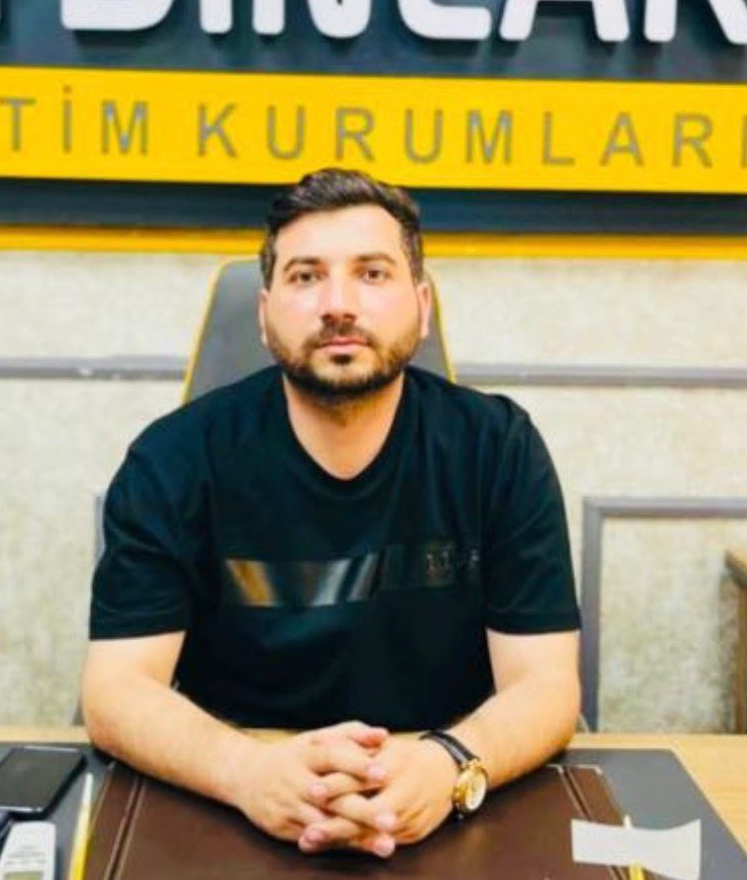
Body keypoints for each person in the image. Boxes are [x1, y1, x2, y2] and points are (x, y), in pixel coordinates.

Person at [82, 168, 581, 858]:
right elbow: (114, 691)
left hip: (443, 797)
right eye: (306, 276)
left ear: (422, 307)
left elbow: (547, 685)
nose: (338, 304)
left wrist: (448, 763)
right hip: (231, 797)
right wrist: (247, 772)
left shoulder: (499, 449)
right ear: (264, 314)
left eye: (372, 274)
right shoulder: (173, 459)